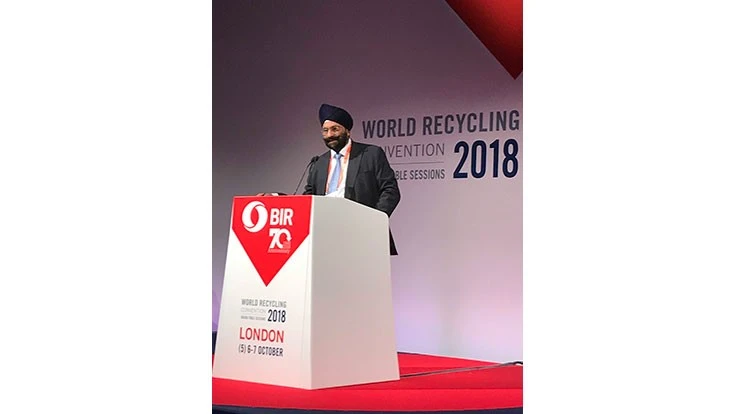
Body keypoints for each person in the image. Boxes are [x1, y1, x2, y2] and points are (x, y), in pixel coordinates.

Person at [304, 103, 401, 255]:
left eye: (335, 129)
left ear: (347, 131)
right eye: (325, 130)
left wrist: (373, 220)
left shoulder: (371, 154)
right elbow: (307, 199)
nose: (330, 135)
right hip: (325, 235)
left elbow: (390, 191)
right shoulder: (319, 163)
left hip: (364, 233)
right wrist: (280, 198)